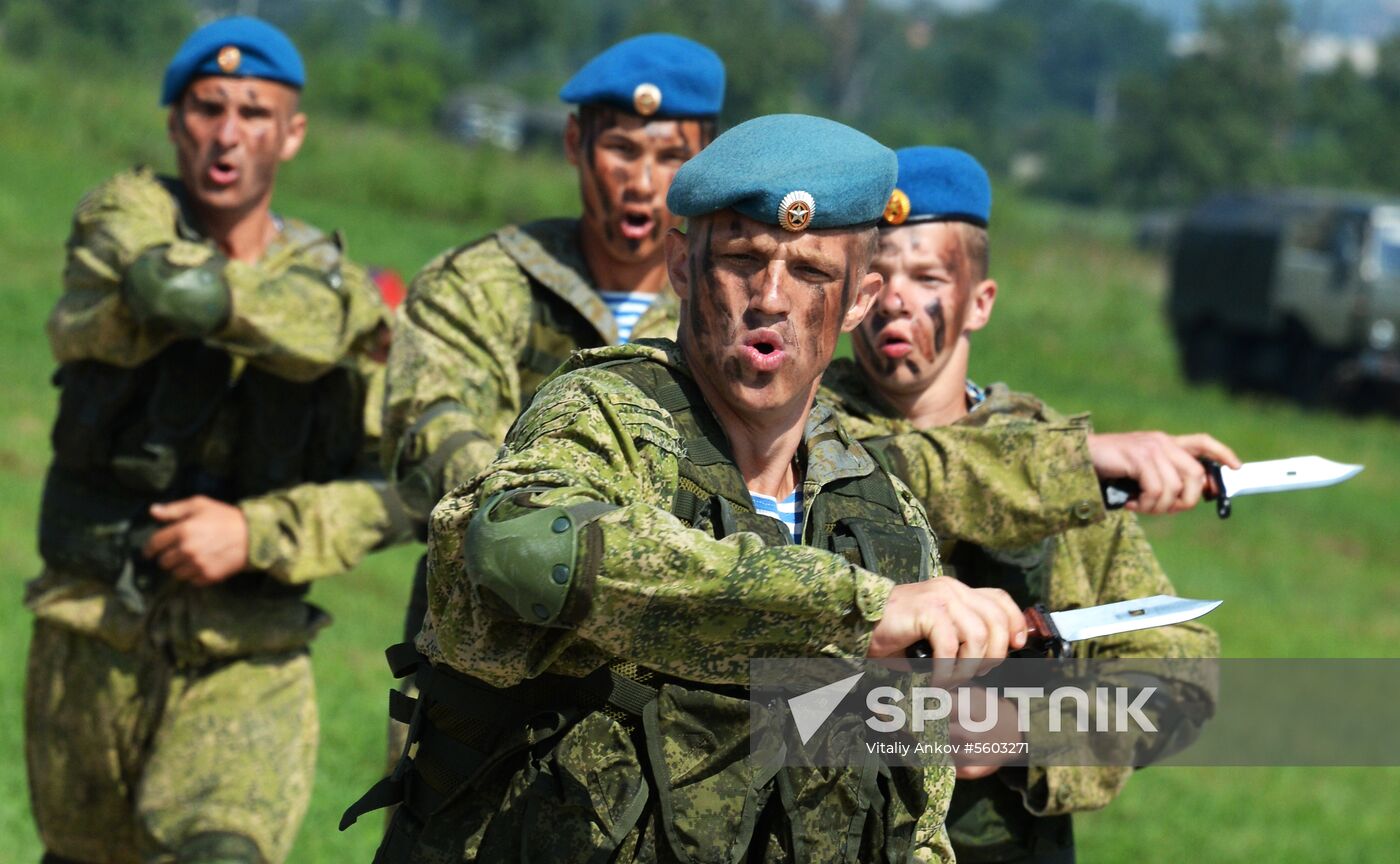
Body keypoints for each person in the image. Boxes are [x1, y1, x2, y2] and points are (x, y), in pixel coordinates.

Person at [346, 113, 1196, 862]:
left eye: (812, 272)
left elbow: (909, 816)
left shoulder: (877, 511)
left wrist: (1013, 727)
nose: (771, 300)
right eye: (742, 260)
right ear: (681, 266)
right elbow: (520, 545)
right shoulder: (608, 418)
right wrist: (850, 611)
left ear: (858, 298)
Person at [24, 17, 409, 864]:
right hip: (92, 634)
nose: (228, 134)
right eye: (207, 108)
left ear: (292, 133)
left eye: (254, 112)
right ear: (174, 121)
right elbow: (173, 292)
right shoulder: (124, 220)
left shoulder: (343, 292)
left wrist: (256, 532)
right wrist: (327, 319)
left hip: (247, 656)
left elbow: (401, 489)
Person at [821, 145, 1229, 863]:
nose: (895, 301)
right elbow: (903, 471)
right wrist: (1075, 463)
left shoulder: (1045, 455)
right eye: (877, 277)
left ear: (980, 302)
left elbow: (1178, 669)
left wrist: (1021, 732)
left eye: (927, 277)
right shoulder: (804, 432)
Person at [377, 32, 724, 767]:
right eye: (621, 150)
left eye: (671, 157)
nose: (643, 182)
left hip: (663, 700)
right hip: (481, 681)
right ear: (574, 144)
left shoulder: (735, 312)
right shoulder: (485, 282)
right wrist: (547, 532)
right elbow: (429, 432)